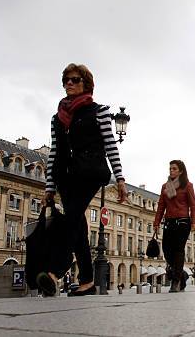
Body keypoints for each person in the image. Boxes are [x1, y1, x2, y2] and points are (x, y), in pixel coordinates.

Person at [37, 63, 128, 297]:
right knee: (78, 224)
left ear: (86, 84)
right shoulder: (57, 118)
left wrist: (120, 178)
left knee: (72, 217)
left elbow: (111, 146)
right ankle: (87, 280)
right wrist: (49, 186)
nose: (69, 83)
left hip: (90, 172)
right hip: (65, 176)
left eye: (75, 79)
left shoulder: (98, 111)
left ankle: (56, 270)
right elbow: (55, 153)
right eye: (66, 80)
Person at [153, 160, 195, 293]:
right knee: (167, 250)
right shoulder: (165, 187)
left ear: (181, 171)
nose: (171, 171)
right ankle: (182, 275)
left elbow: (193, 205)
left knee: (178, 250)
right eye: (170, 168)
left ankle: (176, 281)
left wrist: (194, 221)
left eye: (174, 169)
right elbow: (161, 205)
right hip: (169, 222)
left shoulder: (187, 186)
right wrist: (156, 223)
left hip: (183, 222)